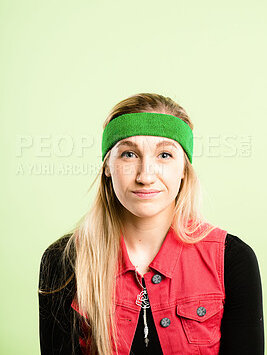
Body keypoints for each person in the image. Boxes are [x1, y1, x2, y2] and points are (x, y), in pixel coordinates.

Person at [38, 93, 264, 355]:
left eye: (165, 155)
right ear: (108, 166)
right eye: (129, 154)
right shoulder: (63, 261)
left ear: (184, 169)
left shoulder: (232, 260)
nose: (145, 176)